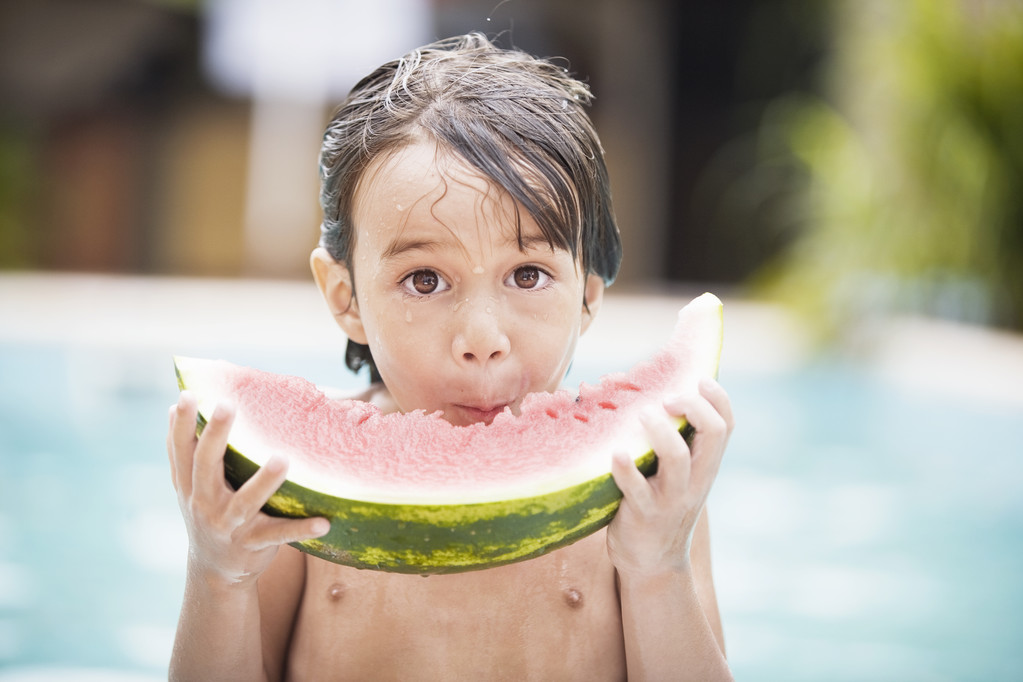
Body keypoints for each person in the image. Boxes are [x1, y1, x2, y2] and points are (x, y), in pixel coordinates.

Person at [166, 33, 734, 681]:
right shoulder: (287, 485)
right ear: (345, 297)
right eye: (425, 281)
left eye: (526, 275)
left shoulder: (646, 486)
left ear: (588, 292)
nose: (481, 336)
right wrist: (219, 574)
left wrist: (657, 568)